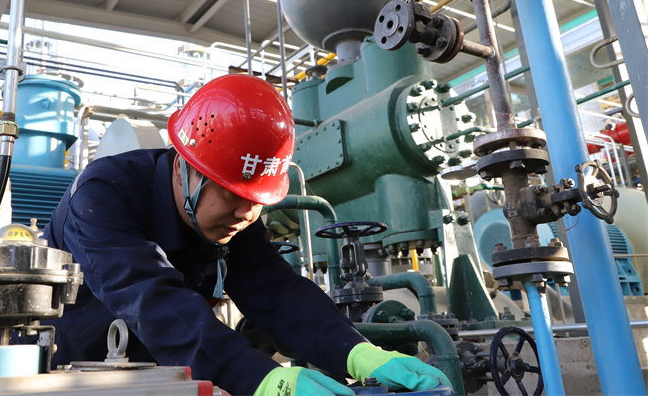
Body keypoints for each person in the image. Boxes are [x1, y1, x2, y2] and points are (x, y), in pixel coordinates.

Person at [42, 74, 452, 396]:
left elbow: (273, 289)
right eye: (232, 195)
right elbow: (151, 301)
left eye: (257, 200)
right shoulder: (104, 195)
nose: (247, 213)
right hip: (80, 376)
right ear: (185, 167)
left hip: (173, 373)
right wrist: (262, 379)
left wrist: (358, 352)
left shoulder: (234, 214)